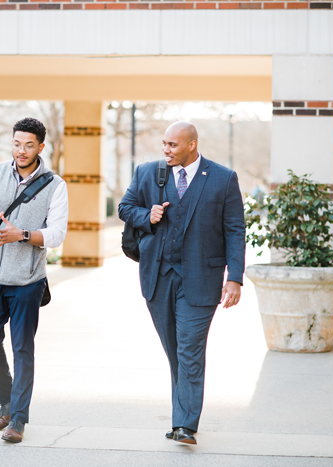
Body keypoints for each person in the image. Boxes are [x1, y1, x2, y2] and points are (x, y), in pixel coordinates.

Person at [118, 121, 245, 445]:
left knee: (189, 349)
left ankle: (185, 425)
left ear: (192, 145)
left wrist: (234, 279)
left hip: (201, 280)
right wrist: (148, 216)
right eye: (164, 144)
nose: (166, 150)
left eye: (173, 145)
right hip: (157, 278)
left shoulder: (222, 178)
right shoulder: (148, 173)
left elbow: (235, 230)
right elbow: (125, 207)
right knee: (175, 351)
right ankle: (182, 415)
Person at [0, 118, 68, 443]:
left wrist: (20, 234)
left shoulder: (55, 185)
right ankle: (7, 402)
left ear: (40, 147)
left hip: (27, 282)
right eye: (16, 143)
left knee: (22, 348)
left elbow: (56, 235)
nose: (21, 151)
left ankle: (17, 420)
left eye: (28, 145)